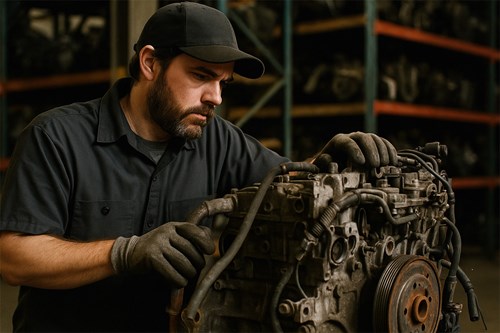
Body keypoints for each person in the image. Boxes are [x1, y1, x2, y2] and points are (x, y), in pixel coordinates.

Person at [0, 2, 397, 332]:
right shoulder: (56, 137)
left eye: (224, 82)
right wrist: (124, 253)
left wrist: (328, 160)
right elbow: (14, 258)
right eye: (201, 76)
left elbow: (287, 182)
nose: (216, 97)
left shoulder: (215, 138)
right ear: (150, 63)